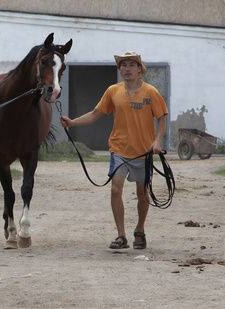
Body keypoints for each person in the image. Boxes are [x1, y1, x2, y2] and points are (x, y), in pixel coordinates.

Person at [60, 52, 168, 250]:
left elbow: (162, 117)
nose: (126, 69)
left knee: (142, 193)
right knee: (115, 189)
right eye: (123, 66)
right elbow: (95, 114)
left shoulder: (151, 92)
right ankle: (121, 235)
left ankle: (140, 230)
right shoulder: (113, 91)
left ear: (139, 69)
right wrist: (73, 122)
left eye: (130, 65)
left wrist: (157, 141)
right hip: (119, 149)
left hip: (143, 152)